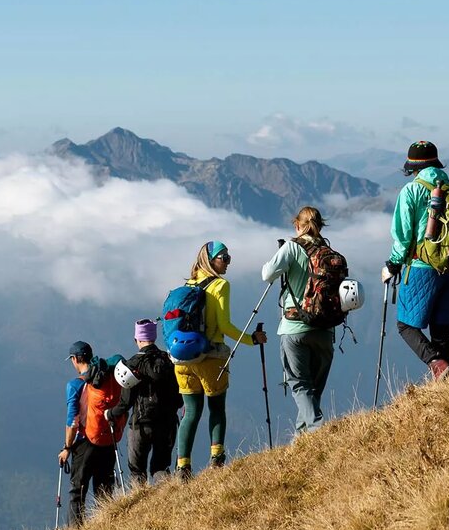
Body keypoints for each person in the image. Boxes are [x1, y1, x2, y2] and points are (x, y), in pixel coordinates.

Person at [174, 241, 268, 481]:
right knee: (216, 408)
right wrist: (252, 340)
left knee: (191, 412)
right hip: (211, 356)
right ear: (210, 260)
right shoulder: (220, 285)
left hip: (182, 359)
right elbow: (224, 326)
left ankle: (182, 467)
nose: (228, 261)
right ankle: (217, 459)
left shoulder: (188, 285)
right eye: (224, 257)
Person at [381, 141, 449, 380]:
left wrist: (393, 264)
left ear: (413, 168)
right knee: (441, 329)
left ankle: (437, 364)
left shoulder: (411, 191)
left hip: (421, 266)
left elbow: (403, 235)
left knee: (405, 325)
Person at [261, 206, 336, 435]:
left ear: (297, 225)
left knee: (300, 384)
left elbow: (267, 274)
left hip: (295, 326)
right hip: (325, 328)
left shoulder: (293, 247)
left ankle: (317, 429)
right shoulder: (329, 252)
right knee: (313, 390)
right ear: (320, 225)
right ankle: (301, 440)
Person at [104, 319, 180, 485]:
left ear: (137, 339)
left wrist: (110, 413)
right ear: (154, 337)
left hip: (140, 424)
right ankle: (165, 502)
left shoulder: (132, 364)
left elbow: (125, 403)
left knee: (137, 471)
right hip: (167, 423)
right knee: (161, 467)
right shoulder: (168, 361)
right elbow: (178, 394)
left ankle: (140, 503)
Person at [58, 340, 125, 525]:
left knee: (77, 490)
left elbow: (72, 421)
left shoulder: (75, 385)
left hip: (85, 441)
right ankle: (107, 527)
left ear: (76, 359)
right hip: (108, 437)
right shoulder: (107, 377)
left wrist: (67, 447)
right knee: (104, 488)